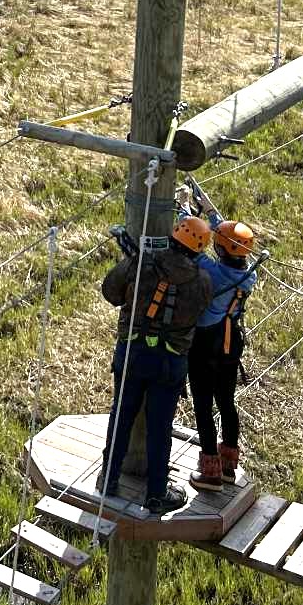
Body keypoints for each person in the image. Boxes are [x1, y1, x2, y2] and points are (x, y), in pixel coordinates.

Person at [98, 210, 211, 514]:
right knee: (160, 428)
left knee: (121, 416)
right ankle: (156, 493)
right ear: (199, 249)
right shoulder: (201, 280)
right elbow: (200, 312)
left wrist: (135, 266)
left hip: (132, 354)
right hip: (170, 363)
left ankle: (108, 480)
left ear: (174, 235)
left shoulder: (143, 262)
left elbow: (110, 291)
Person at [185, 179, 258, 489]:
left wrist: (184, 213)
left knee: (203, 403)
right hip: (231, 340)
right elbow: (224, 240)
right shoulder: (248, 272)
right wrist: (213, 215)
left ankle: (210, 469)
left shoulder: (213, 273)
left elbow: (194, 246)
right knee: (226, 402)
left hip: (205, 342)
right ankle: (228, 464)